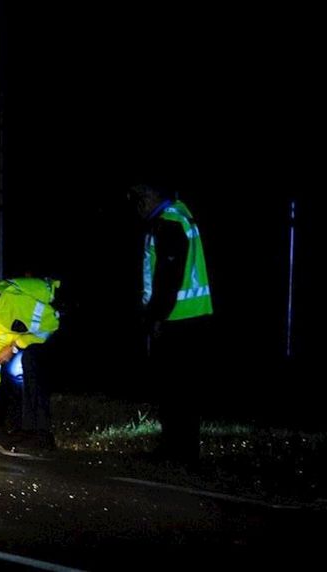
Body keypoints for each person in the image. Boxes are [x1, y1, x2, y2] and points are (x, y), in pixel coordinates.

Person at [128, 183, 213, 465]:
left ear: (154, 195)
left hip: (177, 319)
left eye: (140, 199)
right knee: (183, 389)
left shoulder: (169, 223)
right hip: (191, 315)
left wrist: (154, 317)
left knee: (175, 389)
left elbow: (167, 277)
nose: (138, 206)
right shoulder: (181, 216)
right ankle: (182, 449)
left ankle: (177, 451)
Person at [0, 276, 61, 451]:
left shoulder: (4, 305)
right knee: (9, 372)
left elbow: (50, 324)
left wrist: (14, 347)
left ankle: (41, 434)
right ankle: (21, 430)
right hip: (27, 342)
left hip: (53, 331)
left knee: (29, 361)